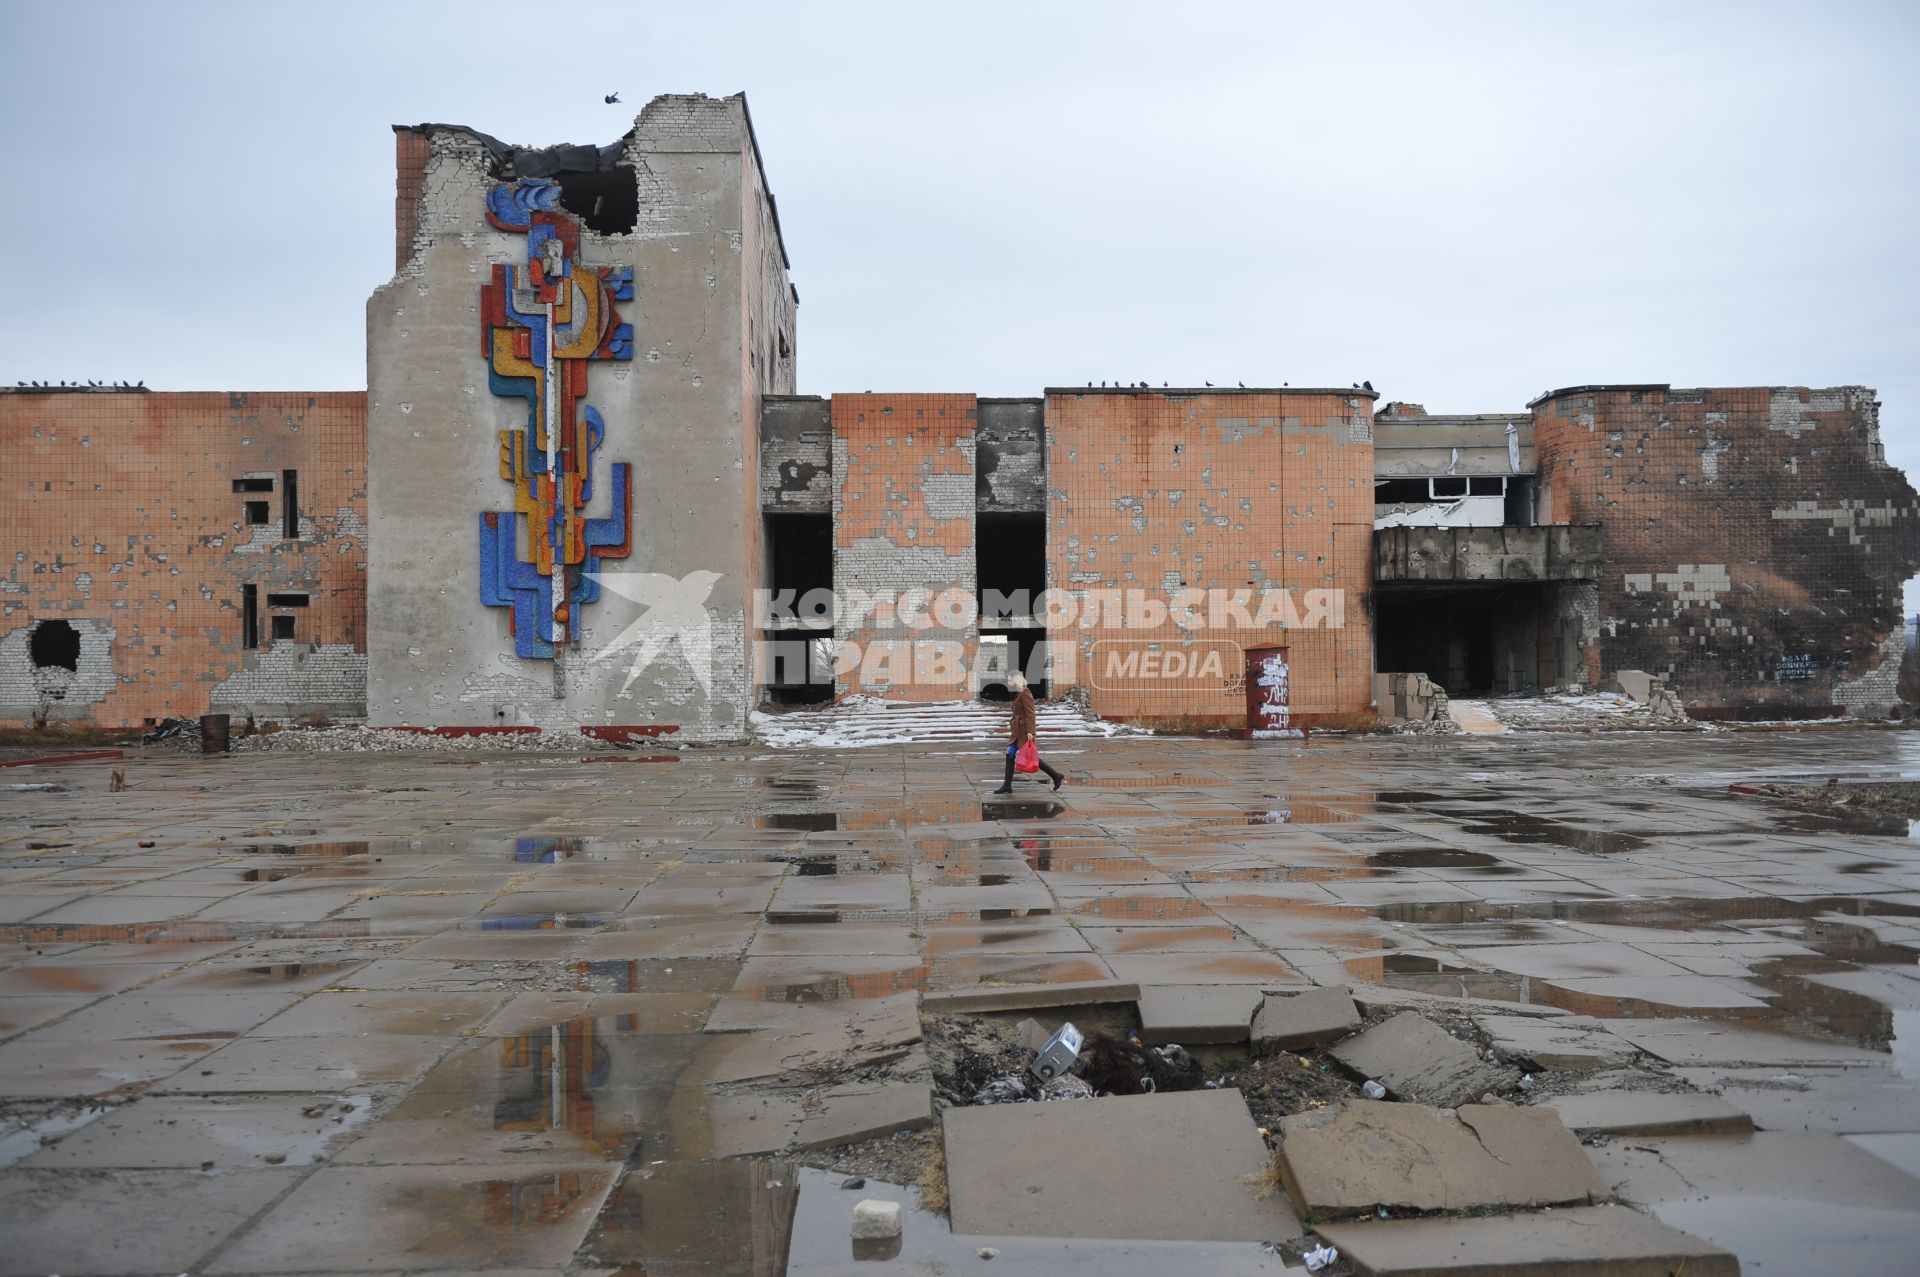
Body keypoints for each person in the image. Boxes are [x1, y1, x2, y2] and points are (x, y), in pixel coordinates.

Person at [992, 672, 1063, 794]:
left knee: (1031, 757)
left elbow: (1030, 713)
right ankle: (1007, 786)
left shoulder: (1025, 692)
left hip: (1024, 731)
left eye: (1010, 680)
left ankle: (1056, 775)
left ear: (1016, 680)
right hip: (1017, 731)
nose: (1008, 683)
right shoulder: (1017, 693)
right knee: (1009, 754)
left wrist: (1031, 731)